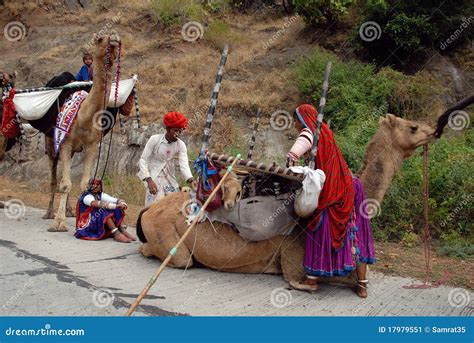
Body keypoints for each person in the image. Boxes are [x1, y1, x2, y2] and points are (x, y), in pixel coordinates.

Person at [287, 104, 376, 298]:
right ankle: (362, 286)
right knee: (357, 231)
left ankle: (311, 281)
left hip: (333, 189)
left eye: (294, 120)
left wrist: (294, 166)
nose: (294, 124)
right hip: (350, 184)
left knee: (319, 229)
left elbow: (291, 158)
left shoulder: (308, 133)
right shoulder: (325, 131)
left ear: (301, 119)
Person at [138, 111, 197, 206]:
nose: (177, 134)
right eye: (175, 130)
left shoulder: (181, 145)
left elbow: (184, 164)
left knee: (171, 206)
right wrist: (149, 180)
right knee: (153, 208)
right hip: (154, 176)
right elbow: (143, 160)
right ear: (167, 129)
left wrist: (191, 180)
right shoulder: (154, 140)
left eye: (180, 131)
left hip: (169, 177)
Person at [75, 178, 136, 243]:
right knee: (103, 211)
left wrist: (122, 203)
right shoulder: (86, 196)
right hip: (88, 222)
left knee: (117, 209)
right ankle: (116, 233)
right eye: (93, 184)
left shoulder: (100, 194)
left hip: (96, 219)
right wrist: (116, 205)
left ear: (100, 186)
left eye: (97, 184)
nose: (95, 186)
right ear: (89, 185)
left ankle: (122, 230)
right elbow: (96, 203)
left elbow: (114, 200)